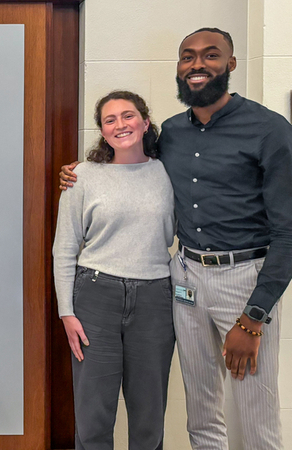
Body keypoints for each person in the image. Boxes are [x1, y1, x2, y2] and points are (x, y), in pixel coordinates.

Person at [60, 28, 292, 449]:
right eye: (188, 57)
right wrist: (80, 172)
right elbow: (129, 165)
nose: (198, 65)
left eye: (210, 56)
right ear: (179, 67)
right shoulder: (172, 133)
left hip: (244, 281)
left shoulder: (270, 129)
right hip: (183, 278)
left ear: (231, 64)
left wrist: (254, 317)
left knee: (256, 412)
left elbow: (288, 232)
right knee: (200, 413)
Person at [53, 90, 175, 449]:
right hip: (95, 296)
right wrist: (66, 312)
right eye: (110, 120)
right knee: (93, 414)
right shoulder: (82, 177)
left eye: (128, 116)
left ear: (145, 122)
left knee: (149, 415)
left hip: (155, 298)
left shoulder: (169, 173)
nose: (120, 125)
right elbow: (65, 248)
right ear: (103, 132)